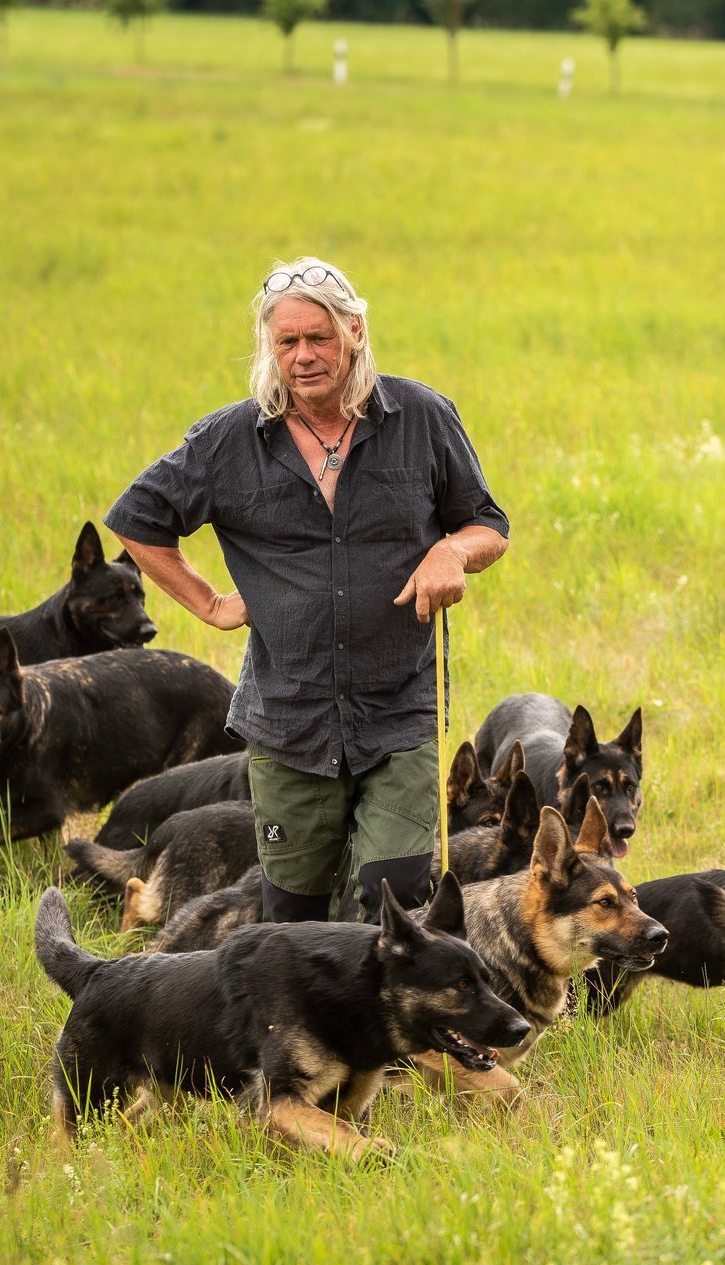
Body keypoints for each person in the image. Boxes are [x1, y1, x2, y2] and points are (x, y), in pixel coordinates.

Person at [105, 258, 509, 924]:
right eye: (286, 342)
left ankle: (385, 1021)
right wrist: (209, 602)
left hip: (398, 707)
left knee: (397, 896)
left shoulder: (422, 419)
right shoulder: (228, 441)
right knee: (292, 910)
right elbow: (137, 521)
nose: (302, 356)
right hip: (290, 716)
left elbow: (488, 525)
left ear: (355, 330)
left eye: (317, 338)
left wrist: (450, 549)